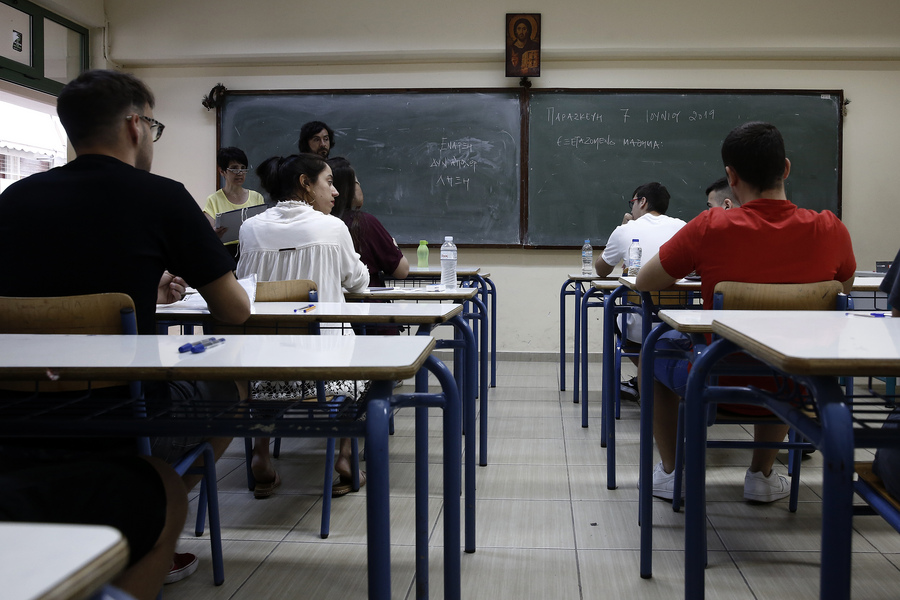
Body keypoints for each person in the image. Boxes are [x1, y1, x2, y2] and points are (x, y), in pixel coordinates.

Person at [0, 70, 252, 591]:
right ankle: (150, 517)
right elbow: (235, 310)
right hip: (121, 412)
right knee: (231, 392)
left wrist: (144, 293)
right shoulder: (161, 197)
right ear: (136, 125)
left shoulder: (13, 199)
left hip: (14, 412)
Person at [635, 121, 856, 502]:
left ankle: (673, 473)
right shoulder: (829, 228)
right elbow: (842, 290)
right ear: (785, 168)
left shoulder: (711, 226)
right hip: (798, 382)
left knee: (651, 353)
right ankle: (761, 475)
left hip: (712, 379)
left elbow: (645, 281)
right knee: (785, 350)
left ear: (730, 176)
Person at [237, 153, 369, 498]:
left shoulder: (249, 229)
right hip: (325, 374)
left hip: (263, 373)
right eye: (328, 182)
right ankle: (346, 457)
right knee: (367, 365)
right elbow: (358, 282)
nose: (336, 192)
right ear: (305, 185)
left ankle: (261, 455)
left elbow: (242, 287)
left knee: (263, 364)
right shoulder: (332, 227)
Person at [595, 182, 686, 402]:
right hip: (681, 323)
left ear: (642, 202)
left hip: (639, 327)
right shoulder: (684, 227)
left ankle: (646, 377)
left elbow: (601, 270)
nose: (632, 208)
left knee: (615, 315)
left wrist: (622, 228)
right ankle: (652, 378)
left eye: (632, 203)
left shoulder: (626, 230)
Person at [327, 156, 409, 287]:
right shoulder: (363, 222)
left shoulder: (316, 222)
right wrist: (395, 246)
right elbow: (402, 271)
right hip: (367, 302)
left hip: (331, 303)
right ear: (348, 188)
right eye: (356, 182)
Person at [203, 146, 265, 260]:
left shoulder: (257, 197)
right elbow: (209, 234)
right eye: (234, 168)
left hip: (252, 251)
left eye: (243, 168)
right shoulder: (213, 200)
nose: (240, 173)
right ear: (222, 171)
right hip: (226, 253)